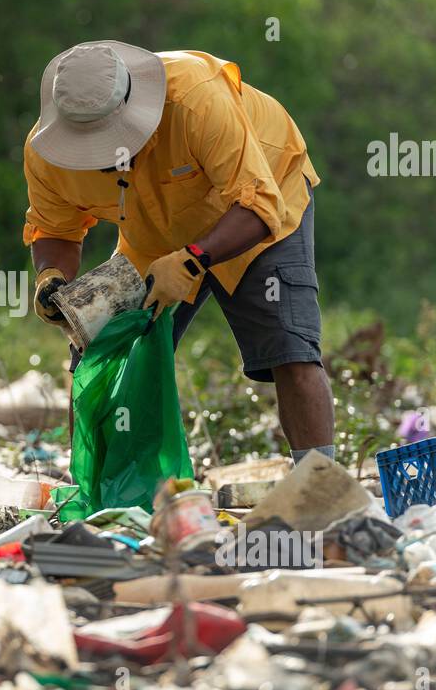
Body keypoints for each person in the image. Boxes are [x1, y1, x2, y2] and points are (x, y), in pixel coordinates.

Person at [24, 41, 334, 464]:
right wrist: (50, 277)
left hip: (255, 208)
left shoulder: (196, 99)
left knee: (290, 350)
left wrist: (192, 259)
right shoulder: (46, 152)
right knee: (98, 351)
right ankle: (109, 491)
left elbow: (259, 206)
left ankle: (318, 483)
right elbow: (56, 229)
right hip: (153, 240)